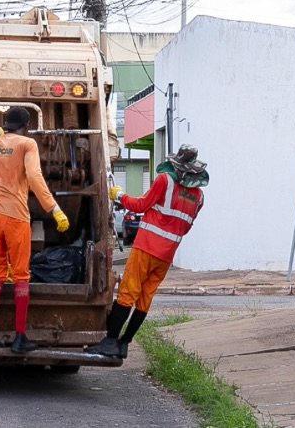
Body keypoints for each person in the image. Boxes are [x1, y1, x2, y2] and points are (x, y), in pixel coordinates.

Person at [85, 143, 208, 358]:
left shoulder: (164, 181)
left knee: (127, 293)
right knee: (144, 298)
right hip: (166, 256)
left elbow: (140, 205)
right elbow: (185, 227)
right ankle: (124, 343)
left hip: (146, 247)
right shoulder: (198, 197)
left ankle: (110, 341)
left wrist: (119, 195)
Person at [0, 106, 70, 353]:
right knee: (20, 275)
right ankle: (19, 337)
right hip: (15, 215)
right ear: (26, 125)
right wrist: (54, 208)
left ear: (6, 125)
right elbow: (35, 177)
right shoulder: (27, 144)